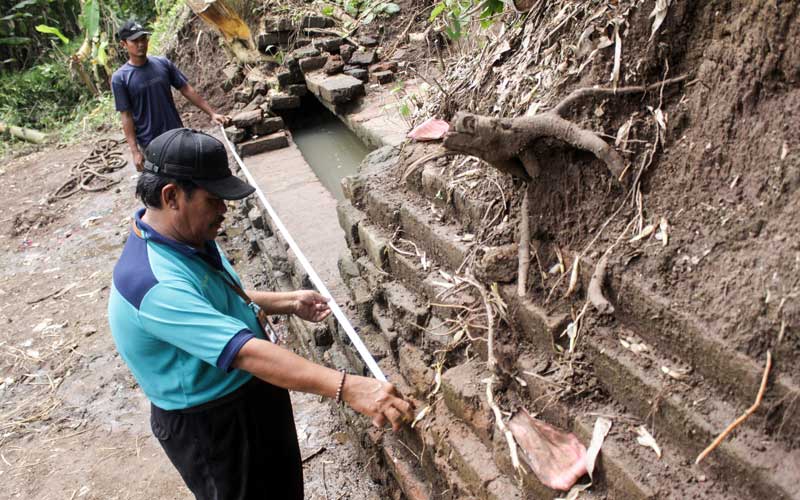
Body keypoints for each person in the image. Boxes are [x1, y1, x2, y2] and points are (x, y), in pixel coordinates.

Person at [107, 128, 414, 499]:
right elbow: (245, 352)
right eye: (213, 199)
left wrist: (284, 301)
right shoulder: (153, 284)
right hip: (213, 422)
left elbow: (207, 298)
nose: (224, 209)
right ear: (172, 196)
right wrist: (350, 387)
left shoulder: (182, 238)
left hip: (251, 394)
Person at [111, 20, 230, 172]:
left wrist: (212, 113)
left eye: (143, 39)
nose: (140, 44)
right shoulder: (120, 78)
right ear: (124, 44)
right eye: (135, 41)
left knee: (187, 175)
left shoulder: (162, 64)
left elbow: (186, 89)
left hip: (176, 134)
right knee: (163, 182)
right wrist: (135, 152)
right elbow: (126, 116)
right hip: (151, 143)